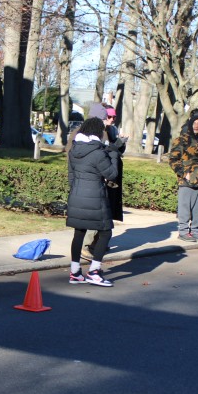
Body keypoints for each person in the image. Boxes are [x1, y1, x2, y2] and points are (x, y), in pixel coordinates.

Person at [67, 116, 120, 286]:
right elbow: (111, 174)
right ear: (98, 132)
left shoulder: (73, 150)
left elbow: (71, 177)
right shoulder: (98, 153)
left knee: (79, 233)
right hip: (95, 197)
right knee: (106, 232)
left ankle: (75, 272)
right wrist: (114, 153)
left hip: (76, 196)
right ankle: (94, 272)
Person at [169, 108, 198, 242]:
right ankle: (183, 231)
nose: (196, 126)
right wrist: (184, 173)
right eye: (194, 123)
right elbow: (173, 159)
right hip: (187, 180)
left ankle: (195, 231)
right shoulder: (181, 140)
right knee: (185, 207)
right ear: (190, 123)